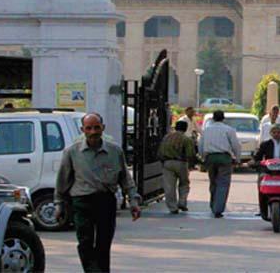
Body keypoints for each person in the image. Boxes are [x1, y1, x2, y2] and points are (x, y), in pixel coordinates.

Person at [55, 112, 141, 273]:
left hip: (106, 201)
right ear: (83, 130)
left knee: (104, 243)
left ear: (103, 128)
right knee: (85, 242)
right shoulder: (72, 152)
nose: (93, 132)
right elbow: (62, 181)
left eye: (96, 127)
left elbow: (125, 178)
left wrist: (133, 201)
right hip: (82, 202)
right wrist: (59, 204)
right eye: (89, 128)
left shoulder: (115, 151)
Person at [199, 110, 242, 218]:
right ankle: (218, 209)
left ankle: (213, 204)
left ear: (213, 118)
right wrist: (237, 158)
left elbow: (201, 145)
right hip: (224, 158)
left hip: (210, 158)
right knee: (223, 184)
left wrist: (203, 157)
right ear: (223, 118)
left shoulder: (206, 130)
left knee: (213, 182)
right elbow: (236, 145)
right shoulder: (229, 130)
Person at [157, 120, 196, 214]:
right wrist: (192, 165)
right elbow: (190, 154)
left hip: (167, 163)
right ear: (185, 129)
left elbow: (160, 152)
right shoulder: (186, 139)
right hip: (181, 163)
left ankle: (172, 207)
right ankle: (182, 202)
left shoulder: (166, 137)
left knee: (169, 186)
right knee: (184, 183)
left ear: (175, 127)